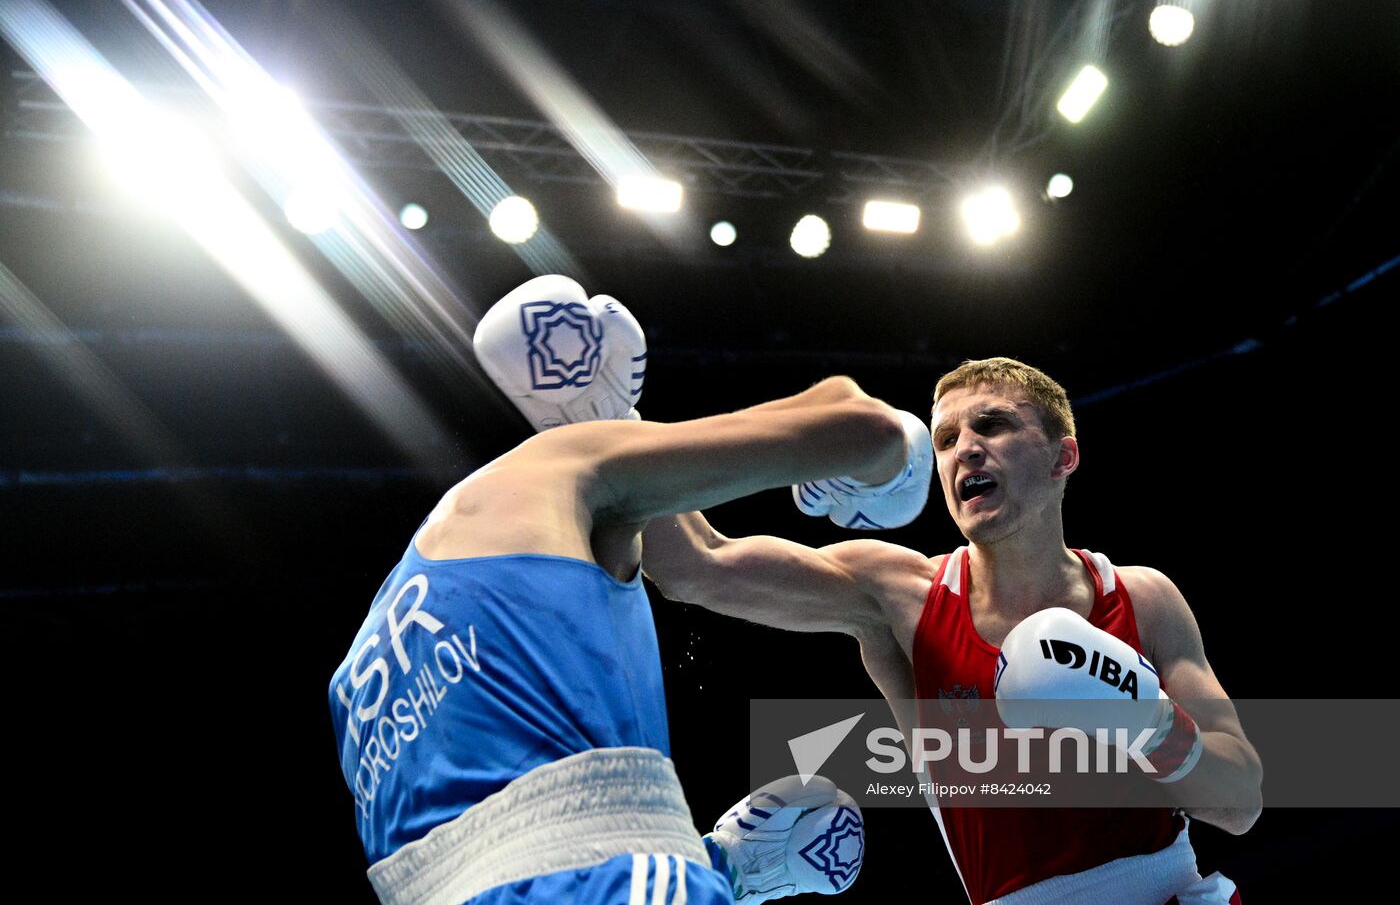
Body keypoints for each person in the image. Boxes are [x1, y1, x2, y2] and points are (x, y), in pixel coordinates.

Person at [328, 275, 901, 904]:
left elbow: (502, 848)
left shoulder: (357, 668)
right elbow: (865, 433)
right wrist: (893, 479)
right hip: (609, 884)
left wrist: (715, 863)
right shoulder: (565, 465)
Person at [642, 356, 1263, 904]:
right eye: (945, 439)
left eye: (992, 425)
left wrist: (1144, 719)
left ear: (1062, 456)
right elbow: (695, 568)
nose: (964, 447)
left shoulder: (1142, 598)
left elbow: (1239, 802)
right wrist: (605, 413)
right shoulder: (900, 597)